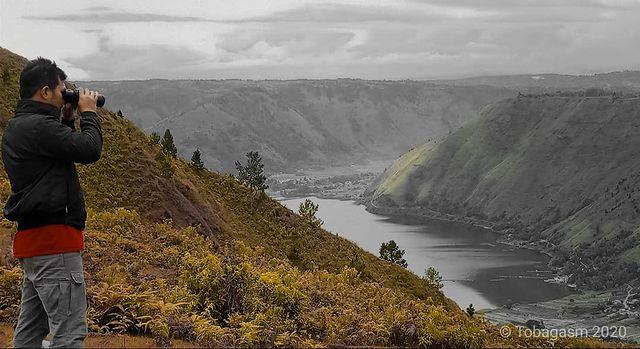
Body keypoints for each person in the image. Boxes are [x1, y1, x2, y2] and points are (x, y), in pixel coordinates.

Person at [2, 57, 103, 348]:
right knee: (69, 335)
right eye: (61, 90)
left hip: (33, 246)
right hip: (55, 244)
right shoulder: (39, 128)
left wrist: (69, 118)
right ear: (45, 92)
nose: (64, 95)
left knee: (30, 333)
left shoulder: (18, 127)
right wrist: (89, 114)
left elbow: (58, 151)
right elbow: (89, 149)